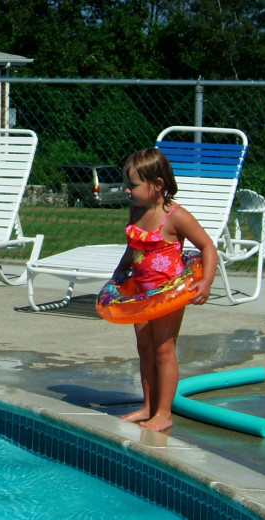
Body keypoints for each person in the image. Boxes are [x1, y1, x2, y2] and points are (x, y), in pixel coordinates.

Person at [114, 148, 217, 432]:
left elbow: (208, 246)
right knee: (144, 348)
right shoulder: (136, 211)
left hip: (168, 294)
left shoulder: (176, 216)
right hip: (141, 293)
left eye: (133, 185)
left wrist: (205, 281)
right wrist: (119, 274)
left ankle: (164, 412)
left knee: (163, 350)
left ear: (157, 185)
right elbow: (133, 248)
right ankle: (148, 406)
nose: (127, 190)